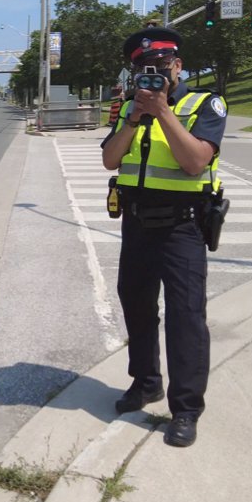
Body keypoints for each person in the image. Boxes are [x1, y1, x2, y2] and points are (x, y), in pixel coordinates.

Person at [101, 26, 228, 447]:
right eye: (143, 70)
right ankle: (146, 382)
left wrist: (164, 114)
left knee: (185, 318)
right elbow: (110, 159)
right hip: (136, 223)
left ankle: (186, 408)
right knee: (137, 307)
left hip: (182, 226)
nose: (151, 76)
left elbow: (195, 162)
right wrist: (136, 117)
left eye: (159, 68)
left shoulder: (205, 103)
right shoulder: (128, 108)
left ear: (177, 65)